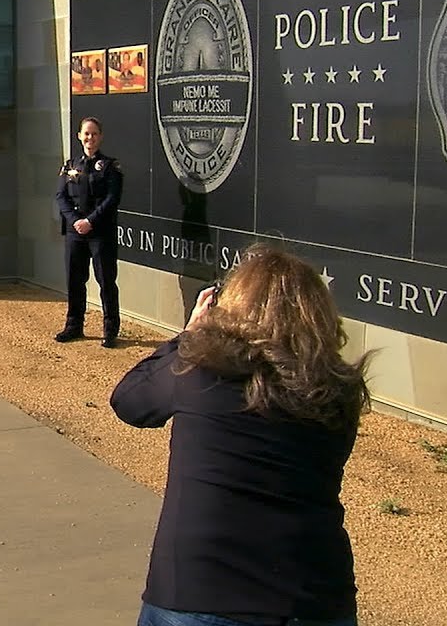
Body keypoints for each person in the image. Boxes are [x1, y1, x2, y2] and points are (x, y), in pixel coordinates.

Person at [109, 244, 372, 626]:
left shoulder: (200, 370)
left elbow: (130, 403)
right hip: (313, 596)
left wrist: (188, 337)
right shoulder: (339, 389)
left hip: (201, 591)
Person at [54, 116, 124, 347]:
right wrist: (76, 221)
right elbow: (61, 196)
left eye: (94, 134)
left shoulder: (110, 167)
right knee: (75, 280)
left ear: (100, 137)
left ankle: (110, 329)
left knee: (106, 280)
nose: (90, 138)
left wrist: (90, 221)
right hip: (75, 232)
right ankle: (74, 326)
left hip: (100, 232)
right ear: (79, 136)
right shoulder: (70, 165)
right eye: (86, 133)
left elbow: (112, 199)